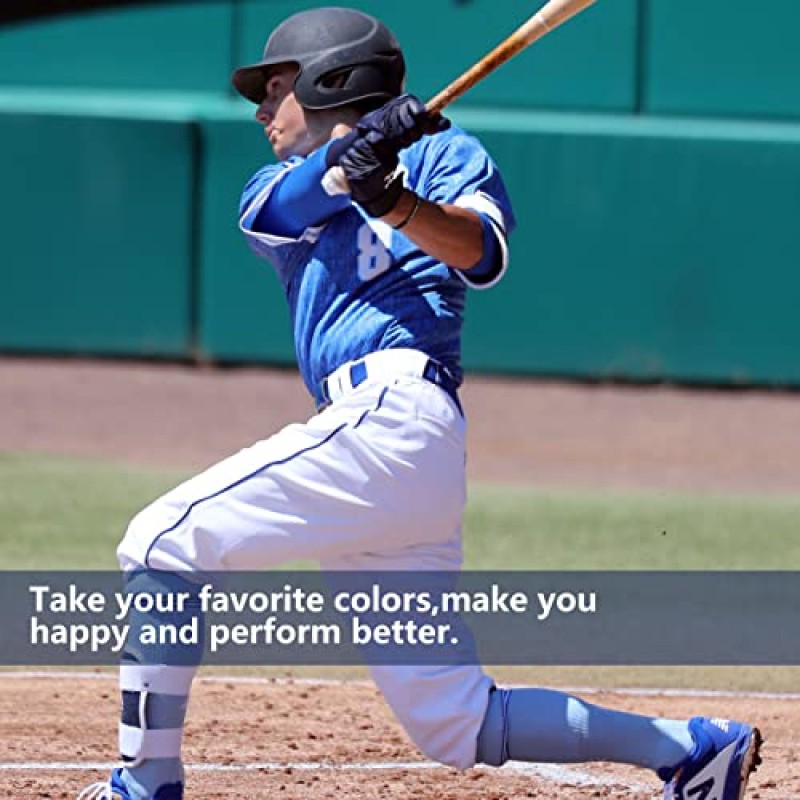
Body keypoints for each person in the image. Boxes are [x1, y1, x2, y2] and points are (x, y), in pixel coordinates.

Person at [79, 7, 761, 800]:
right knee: (455, 722)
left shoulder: (445, 154)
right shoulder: (272, 184)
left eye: (277, 90)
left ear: (330, 80)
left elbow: (482, 253)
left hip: (397, 417)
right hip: (388, 454)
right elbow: (287, 209)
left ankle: (144, 784)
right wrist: (351, 162)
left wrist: (396, 199)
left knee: (161, 540)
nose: (263, 112)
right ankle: (692, 749)